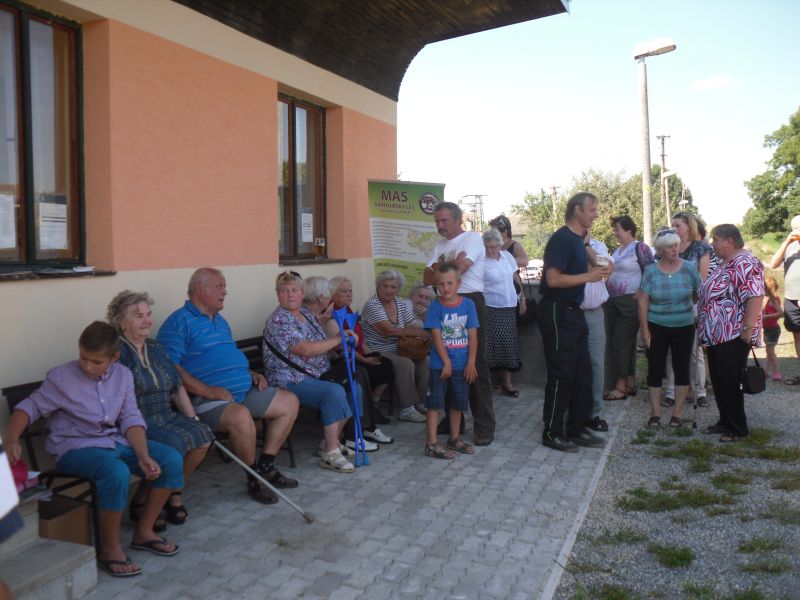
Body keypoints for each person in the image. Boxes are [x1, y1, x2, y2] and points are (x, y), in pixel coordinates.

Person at [4, 322, 183, 577]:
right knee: (116, 472)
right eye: (83, 358)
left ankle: (144, 532)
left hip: (114, 441)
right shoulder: (61, 377)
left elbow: (131, 418)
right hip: (76, 448)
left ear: (114, 357)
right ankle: (109, 549)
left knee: (170, 459)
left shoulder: (123, 376)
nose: (87, 366)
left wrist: (143, 455)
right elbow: (28, 407)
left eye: (96, 362)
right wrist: (12, 438)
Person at [157, 267, 300, 504]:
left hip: (242, 391)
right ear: (200, 289)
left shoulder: (220, 321)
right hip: (206, 400)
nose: (225, 291)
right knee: (241, 416)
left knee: (289, 402)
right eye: (219, 286)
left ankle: (265, 465)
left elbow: (226, 357)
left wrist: (250, 373)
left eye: (224, 286)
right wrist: (207, 390)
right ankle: (254, 479)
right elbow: (171, 368)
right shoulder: (178, 322)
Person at [107, 290, 213, 526]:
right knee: (174, 444)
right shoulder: (117, 353)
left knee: (203, 436)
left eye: (148, 314)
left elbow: (176, 386)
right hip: (138, 421)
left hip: (166, 415)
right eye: (138, 316)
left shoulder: (155, 347)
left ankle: (173, 492)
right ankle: (144, 501)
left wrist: (193, 419)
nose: (147, 320)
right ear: (121, 322)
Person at [262, 271, 362, 473]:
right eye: (284, 291)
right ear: (278, 295)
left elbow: (319, 338)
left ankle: (329, 442)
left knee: (354, 388)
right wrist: (338, 339)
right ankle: (331, 453)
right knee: (333, 392)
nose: (290, 294)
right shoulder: (279, 320)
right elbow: (305, 349)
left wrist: (341, 340)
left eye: (294, 290)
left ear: (302, 293)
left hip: (315, 373)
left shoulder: (305, 314)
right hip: (289, 378)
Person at [537, 192, 611, 452]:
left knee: (583, 373)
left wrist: (596, 262)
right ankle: (552, 432)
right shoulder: (562, 239)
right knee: (562, 374)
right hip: (557, 311)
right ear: (577, 210)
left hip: (574, 312)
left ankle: (577, 428)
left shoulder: (578, 241)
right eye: (592, 209)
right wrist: (589, 277)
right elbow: (553, 279)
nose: (596, 215)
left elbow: (600, 267)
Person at [424, 201, 495, 446]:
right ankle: (454, 422)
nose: (440, 225)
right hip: (443, 303)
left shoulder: (472, 239)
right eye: (437, 221)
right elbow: (426, 277)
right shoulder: (439, 245)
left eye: (444, 220)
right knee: (448, 363)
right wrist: (451, 265)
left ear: (457, 219)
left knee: (475, 364)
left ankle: (484, 425)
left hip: (469, 301)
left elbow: (459, 271)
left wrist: (441, 268)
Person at [698, 224, 765, 441]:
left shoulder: (745, 262)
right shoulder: (724, 264)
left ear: (728, 241)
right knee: (719, 380)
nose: (712, 244)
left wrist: (748, 328)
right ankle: (725, 421)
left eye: (715, 240)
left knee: (730, 380)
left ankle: (737, 427)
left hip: (733, 334)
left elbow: (755, 296)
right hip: (717, 335)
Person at [638, 229, 702, 429]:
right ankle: (655, 413)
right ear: (660, 250)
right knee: (655, 369)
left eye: (676, 245)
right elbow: (643, 301)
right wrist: (645, 329)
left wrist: (687, 310)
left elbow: (697, 293)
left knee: (681, 367)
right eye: (669, 247)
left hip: (684, 325)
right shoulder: (651, 271)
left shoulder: (689, 268)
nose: (675, 249)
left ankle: (678, 413)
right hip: (656, 325)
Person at [423, 263, 479, 459]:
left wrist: (471, 362)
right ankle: (431, 443)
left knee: (458, 403)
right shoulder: (435, 307)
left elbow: (473, 335)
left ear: (459, 284)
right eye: (440, 284)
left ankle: (454, 438)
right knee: (434, 404)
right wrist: (446, 362)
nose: (445, 288)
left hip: (462, 365)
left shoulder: (468, 305)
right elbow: (437, 337)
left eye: (449, 283)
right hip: (440, 366)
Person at [361, 270, 431, 423]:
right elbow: (389, 331)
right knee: (405, 364)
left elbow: (412, 323)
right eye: (385, 286)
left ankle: (419, 402)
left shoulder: (399, 303)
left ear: (398, 289)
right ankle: (407, 410)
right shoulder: (372, 305)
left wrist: (429, 330)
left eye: (393, 287)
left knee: (425, 360)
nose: (389, 290)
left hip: (400, 347)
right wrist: (420, 332)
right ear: (378, 287)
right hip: (378, 350)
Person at [330, 276, 395, 434]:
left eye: (350, 291)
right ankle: (368, 415)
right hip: (347, 358)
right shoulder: (332, 314)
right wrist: (365, 359)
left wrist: (368, 353)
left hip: (358, 353)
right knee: (365, 371)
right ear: (333, 294)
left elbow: (360, 337)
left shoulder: (348, 309)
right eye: (344, 291)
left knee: (385, 364)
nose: (349, 294)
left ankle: (374, 405)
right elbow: (343, 347)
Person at [663, 211, 712, 407]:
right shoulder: (668, 247)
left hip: (692, 304)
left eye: (678, 225)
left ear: (688, 226)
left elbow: (702, 280)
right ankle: (671, 392)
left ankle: (699, 391)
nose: (674, 228)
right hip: (669, 304)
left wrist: (691, 301)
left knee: (694, 351)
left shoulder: (701, 248)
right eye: (673, 225)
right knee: (671, 351)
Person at [604, 215, 653, 400]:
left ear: (629, 230)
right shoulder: (618, 250)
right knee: (626, 344)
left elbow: (651, 272)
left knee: (619, 342)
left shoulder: (640, 248)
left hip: (630, 302)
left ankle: (620, 386)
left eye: (617, 229)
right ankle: (630, 383)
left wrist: (641, 292)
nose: (615, 233)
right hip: (613, 301)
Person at [479, 228, 521, 397]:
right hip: (491, 307)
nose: (491, 250)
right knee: (491, 345)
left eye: (494, 246)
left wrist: (523, 298)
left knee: (509, 344)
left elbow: (515, 277)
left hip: (509, 305)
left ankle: (507, 382)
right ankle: (488, 381)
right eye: (487, 246)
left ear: (500, 245)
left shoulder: (507, 256)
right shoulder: (481, 261)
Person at [581, 237, 614, 432]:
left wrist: (586, 247)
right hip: (571, 312)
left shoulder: (597, 245)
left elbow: (606, 269)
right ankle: (572, 411)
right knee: (572, 364)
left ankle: (593, 413)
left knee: (596, 364)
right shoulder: (565, 242)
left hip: (594, 312)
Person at [768, 215, 800, 385]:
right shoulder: (789, 246)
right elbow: (773, 264)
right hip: (791, 298)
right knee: (797, 336)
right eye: (796, 230)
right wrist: (787, 241)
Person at [762, 276, 784, 380]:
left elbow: (780, 313)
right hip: (768, 329)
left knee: (770, 351)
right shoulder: (769, 300)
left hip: (772, 330)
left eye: (764, 289)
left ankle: (777, 371)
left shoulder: (774, 300)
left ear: (770, 289)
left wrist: (766, 317)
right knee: (769, 351)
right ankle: (765, 371)